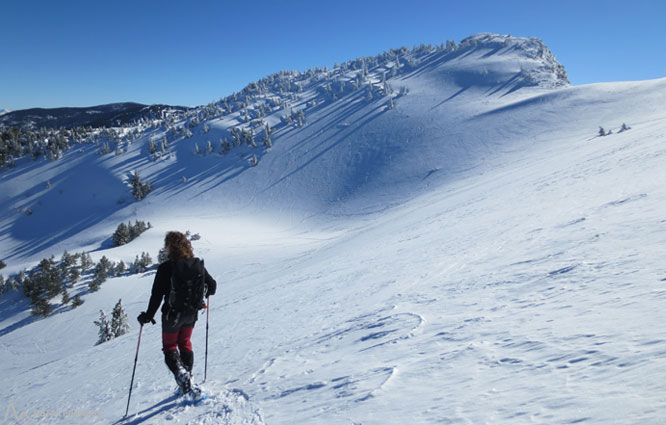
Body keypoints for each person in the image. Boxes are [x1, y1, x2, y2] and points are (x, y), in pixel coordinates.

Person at [137, 231, 216, 395]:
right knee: (185, 342)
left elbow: (157, 295)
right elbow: (213, 286)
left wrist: (148, 315)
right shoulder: (196, 264)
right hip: (192, 313)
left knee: (169, 347)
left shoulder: (166, 268)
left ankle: (182, 376)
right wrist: (204, 293)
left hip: (172, 316)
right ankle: (188, 378)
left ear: (170, 247)